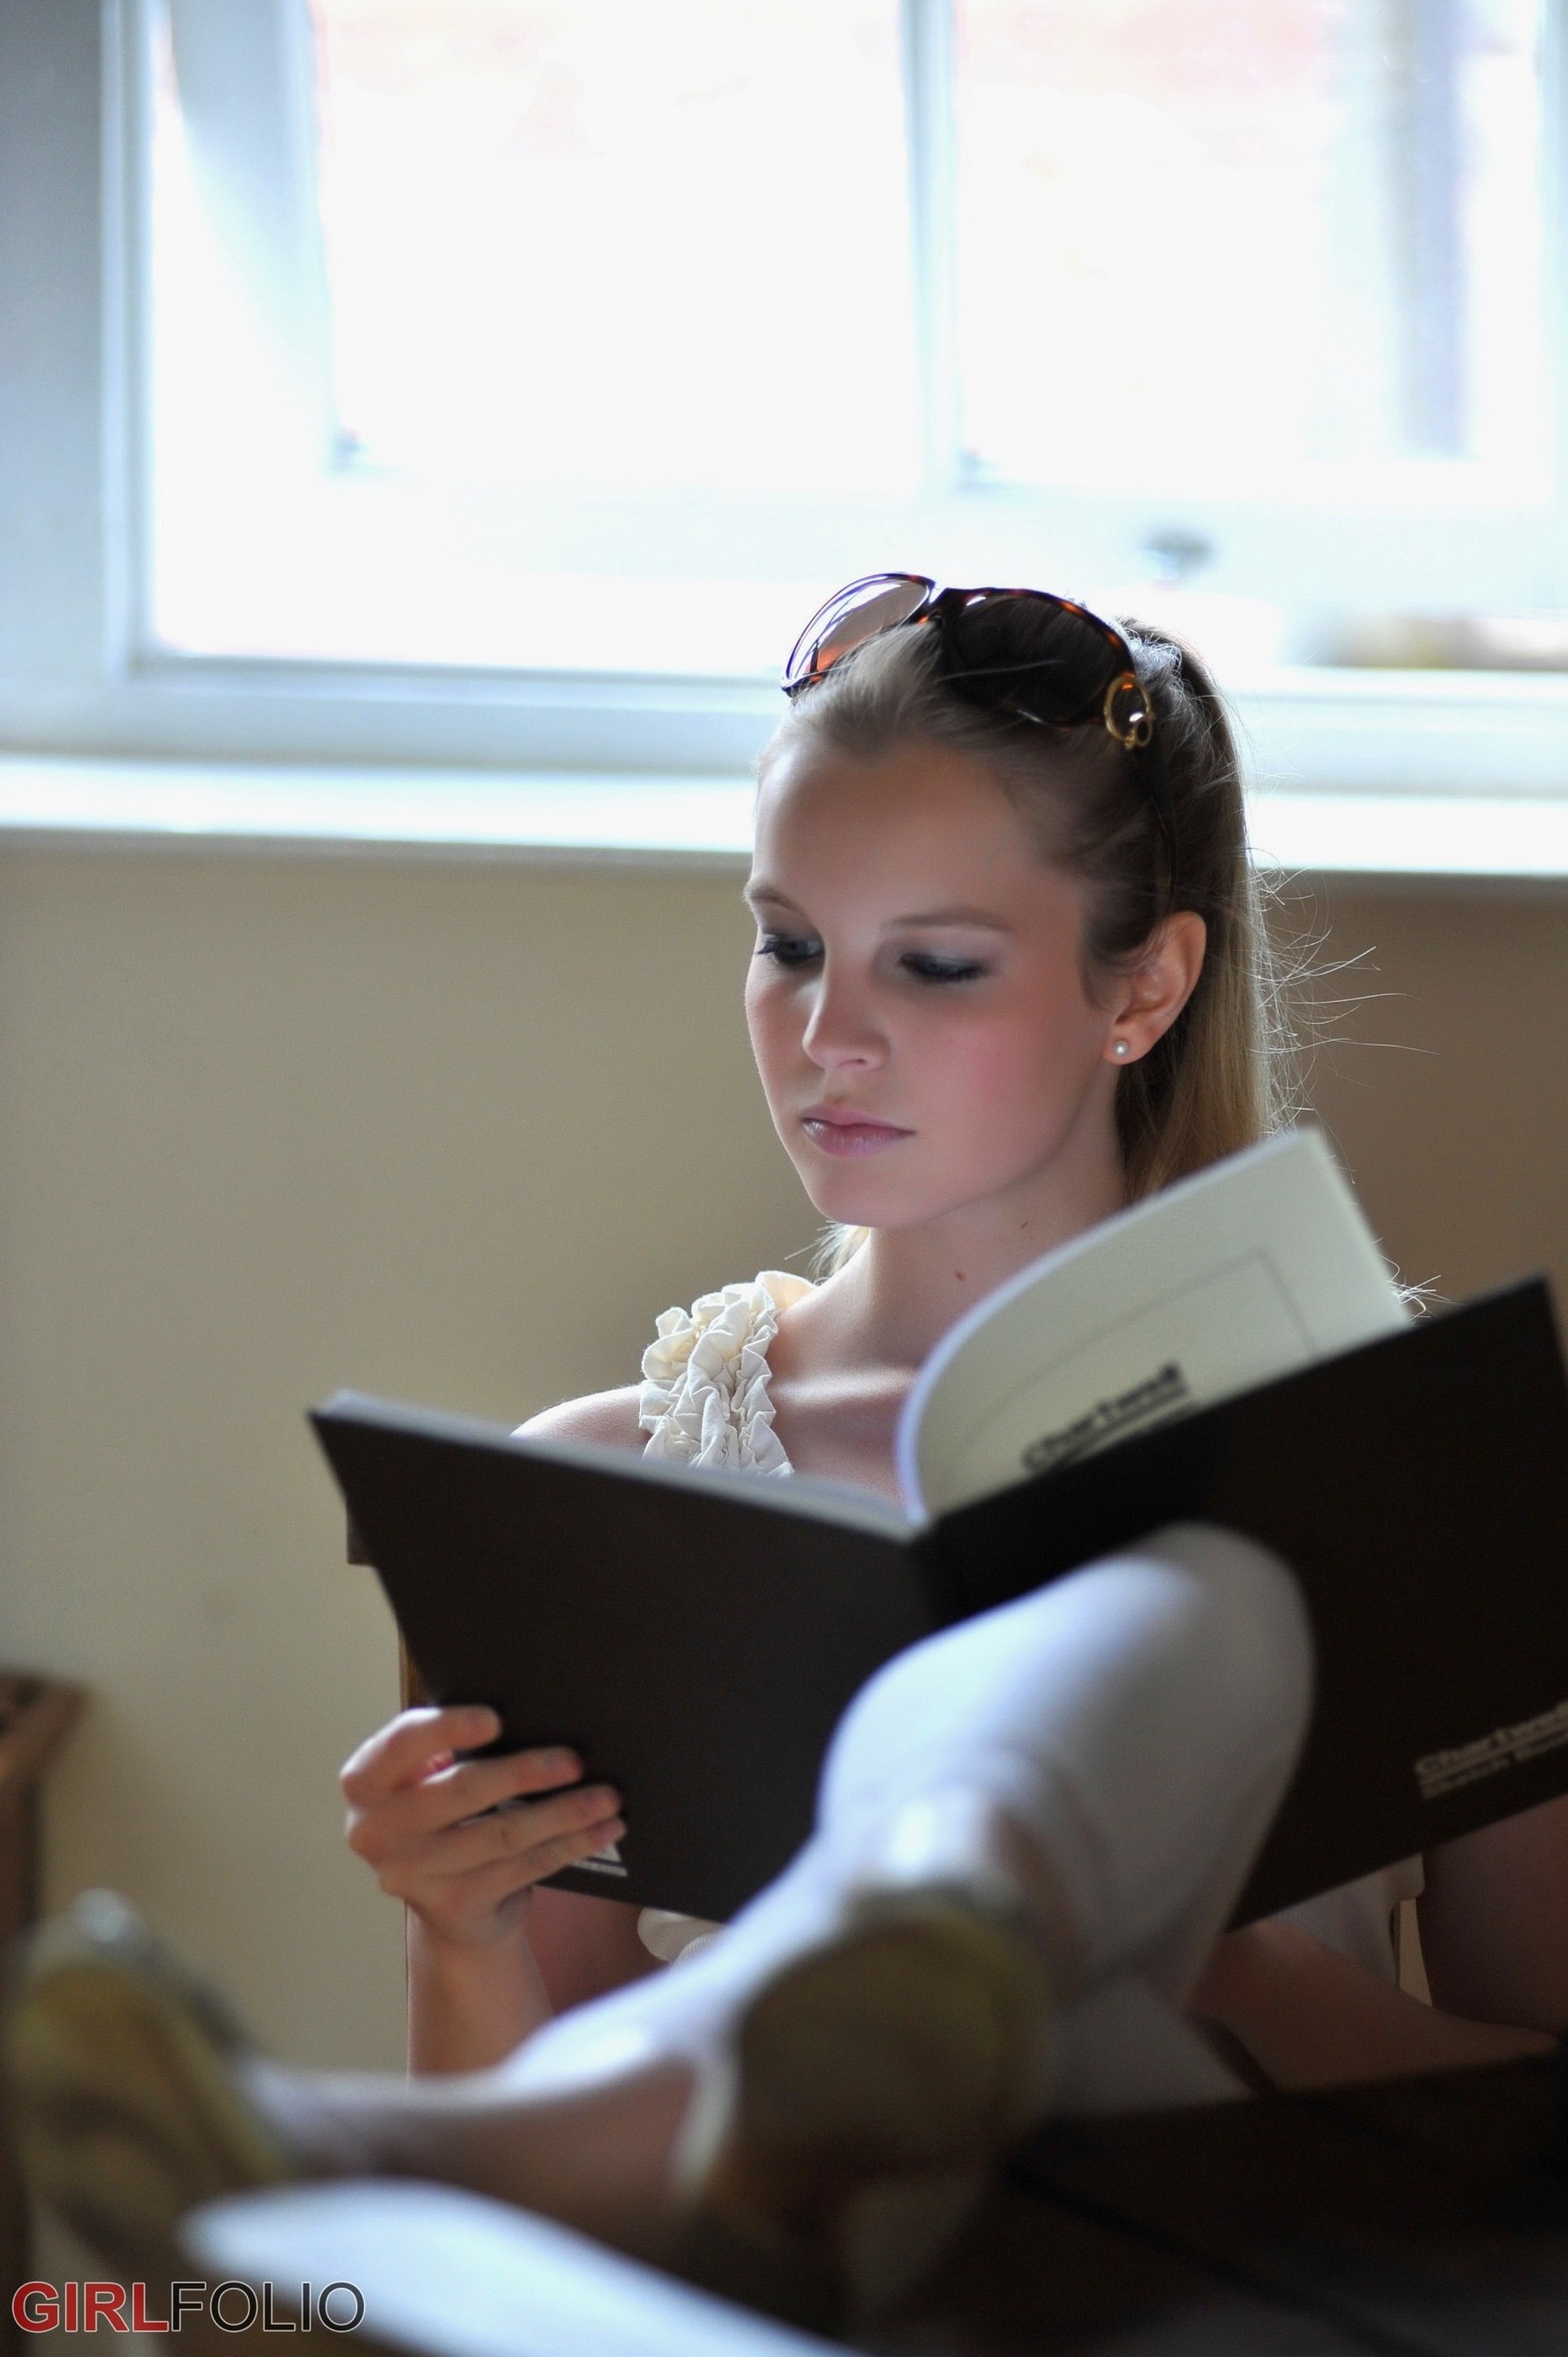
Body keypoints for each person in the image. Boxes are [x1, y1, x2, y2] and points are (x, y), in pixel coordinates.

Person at [10, 580, 1566, 2330]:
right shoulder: (608, 1493)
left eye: (936, 964)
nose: (831, 1037)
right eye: (790, 944)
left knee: (1207, 1586)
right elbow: (550, 2306)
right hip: (772, 2327)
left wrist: (1236, 1969)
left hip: (1242, 2299)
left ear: (1145, 984)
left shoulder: (1419, 1470)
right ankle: (719, 2049)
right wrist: (464, 1932)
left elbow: (1540, 2146)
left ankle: (394, 2152)